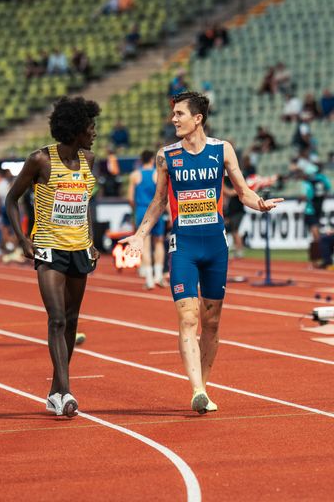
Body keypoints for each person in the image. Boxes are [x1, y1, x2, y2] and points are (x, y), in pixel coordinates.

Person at [120, 91, 283, 414]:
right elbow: (158, 202)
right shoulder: (166, 156)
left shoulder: (222, 151)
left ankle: (204, 388)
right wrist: (140, 235)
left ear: (198, 119)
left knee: (212, 321)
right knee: (188, 318)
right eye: (173, 114)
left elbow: (242, 191)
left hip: (215, 246)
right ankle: (196, 389)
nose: (173, 119)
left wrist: (259, 203)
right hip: (184, 247)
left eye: (180, 114)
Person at [6, 96, 101, 417]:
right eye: (90, 127)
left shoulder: (89, 159)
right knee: (57, 318)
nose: (95, 133)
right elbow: (11, 200)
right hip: (48, 248)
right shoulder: (40, 160)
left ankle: (54, 391)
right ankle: (66, 390)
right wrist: (22, 240)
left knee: (72, 320)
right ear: (75, 129)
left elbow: (86, 204)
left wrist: (91, 241)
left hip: (79, 249)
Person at [127, 150, 166, 290]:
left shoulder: (135, 175)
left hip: (142, 211)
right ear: (151, 160)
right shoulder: (158, 174)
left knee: (145, 243)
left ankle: (149, 279)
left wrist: (136, 210)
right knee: (159, 242)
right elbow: (163, 195)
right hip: (156, 210)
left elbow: (130, 198)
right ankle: (159, 276)